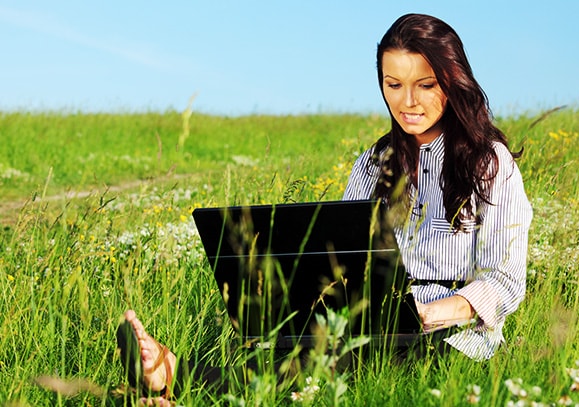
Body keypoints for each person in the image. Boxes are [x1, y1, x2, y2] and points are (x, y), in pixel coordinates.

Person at [116, 13, 532, 406]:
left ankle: (175, 376)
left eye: (424, 85)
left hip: (453, 340)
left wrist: (428, 314)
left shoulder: (489, 163)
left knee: (338, 368)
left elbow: (506, 281)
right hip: (364, 330)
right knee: (301, 352)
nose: (407, 101)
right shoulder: (374, 163)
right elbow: (343, 256)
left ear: (452, 81)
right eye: (393, 84)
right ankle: (179, 381)